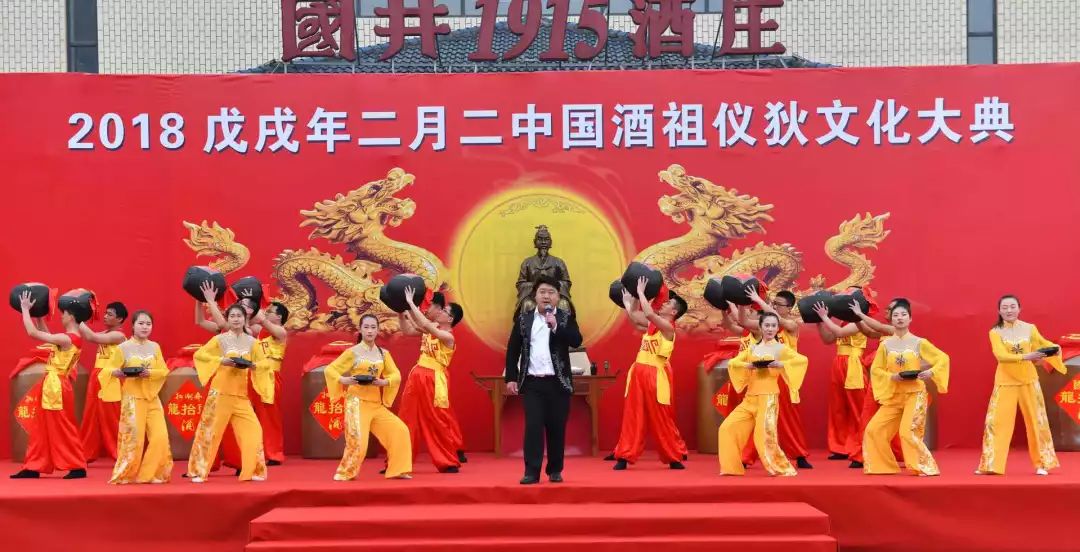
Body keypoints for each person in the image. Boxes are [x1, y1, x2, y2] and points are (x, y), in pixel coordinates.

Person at [505, 275, 583, 484]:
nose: (546, 296)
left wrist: (556, 326)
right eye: (542, 292)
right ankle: (531, 472)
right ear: (535, 296)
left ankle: (555, 470)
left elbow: (576, 340)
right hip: (533, 383)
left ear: (558, 297)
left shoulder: (565, 317)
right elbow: (513, 349)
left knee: (556, 427)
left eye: (551, 292)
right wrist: (511, 377)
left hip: (558, 382)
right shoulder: (524, 319)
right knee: (533, 426)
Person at [976, 295, 1065, 475]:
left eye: (1012, 306)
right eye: (1005, 307)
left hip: (1028, 380)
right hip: (1005, 381)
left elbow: (1043, 344)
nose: (1009, 310)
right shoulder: (995, 332)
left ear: (1019, 308)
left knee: (1036, 421)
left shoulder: (1030, 328)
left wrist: (1056, 349)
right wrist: (1026, 356)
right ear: (999, 311)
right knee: (996, 423)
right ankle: (991, 465)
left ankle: (1042, 464)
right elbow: (1001, 356)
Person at [863, 299, 949, 476]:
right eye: (896, 315)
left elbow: (943, 358)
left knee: (907, 432)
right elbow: (876, 369)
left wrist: (931, 372)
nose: (900, 318)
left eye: (903, 315)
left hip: (915, 393)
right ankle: (883, 467)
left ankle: (924, 467)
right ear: (891, 319)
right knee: (874, 429)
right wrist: (891, 376)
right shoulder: (885, 345)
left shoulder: (919, 342)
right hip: (894, 395)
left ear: (910, 319)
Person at [610, 277, 688, 470]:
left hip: (655, 375)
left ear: (674, 312)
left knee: (661, 418)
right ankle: (624, 455)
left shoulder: (668, 328)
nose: (664, 303)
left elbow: (649, 314)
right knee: (632, 415)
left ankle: (673, 456)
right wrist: (630, 302)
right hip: (638, 372)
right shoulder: (653, 326)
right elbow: (636, 317)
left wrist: (641, 292)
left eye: (668, 303)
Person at [717, 311, 808, 476]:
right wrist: (747, 366)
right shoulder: (752, 348)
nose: (770, 329)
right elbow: (734, 362)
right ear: (760, 327)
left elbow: (801, 360)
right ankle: (732, 468)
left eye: (773, 326)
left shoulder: (780, 348)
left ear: (777, 328)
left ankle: (781, 468)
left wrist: (780, 364)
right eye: (767, 325)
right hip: (749, 398)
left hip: (768, 397)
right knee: (727, 428)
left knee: (764, 436)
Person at [186, 304, 268, 482]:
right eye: (232, 316)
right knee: (211, 432)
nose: (236, 319)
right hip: (220, 393)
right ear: (227, 319)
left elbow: (265, 364)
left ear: (245, 319)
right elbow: (200, 355)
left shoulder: (253, 342)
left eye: (239, 316)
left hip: (241, 396)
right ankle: (199, 471)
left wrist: (254, 365)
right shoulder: (220, 340)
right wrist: (221, 360)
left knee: (253, 431)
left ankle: (253, 470)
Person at [324, 314, 412, 480]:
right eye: (366, 327)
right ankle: (345, 472)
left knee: (400, 430)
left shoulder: (383, 354)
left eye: (373, 327)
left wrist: (384, 382)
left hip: (375, 404)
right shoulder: (353, 352)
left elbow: (396, 374)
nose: (370, 331)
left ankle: (398, 470)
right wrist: (344, 380)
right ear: (360, 329)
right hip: (356, 403)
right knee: (359, 442)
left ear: (378, 330)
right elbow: (331, 370)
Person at [10, 291, 88, 479]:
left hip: (56, 387)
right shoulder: (69, 338)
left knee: (62, 426)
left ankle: (77, 465)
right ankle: (34, 466)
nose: (61, 316)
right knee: (41, 426)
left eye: (63, 313)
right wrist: (38, 316)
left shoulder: (68, 338)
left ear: (71, 316)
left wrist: (25, 309)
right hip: (54, 385)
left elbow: (33, 333)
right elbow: (46, 335)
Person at [736, 288, 812, 469]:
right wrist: (742, 304)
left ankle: (799, 454)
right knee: (759, 417)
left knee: (788, 418)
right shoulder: (765, 326)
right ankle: (747, 457)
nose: (775, 307)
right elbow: (743, 321)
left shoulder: (791, 326)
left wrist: (759, 300)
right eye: (774, 303)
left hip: (784, 378)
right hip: (764, 378)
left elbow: (777, 319)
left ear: (789, 308)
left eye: (779, 304)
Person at [812, 290, 887, 467]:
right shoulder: (843, 321)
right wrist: (819, 322)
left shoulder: (859, 321)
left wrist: (824, 317)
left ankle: (861, 448)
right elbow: (828, 339)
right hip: (839, 363)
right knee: (838, 407)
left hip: (853, 364)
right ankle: (840, 447)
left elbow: (839, 333)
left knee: (858, 408)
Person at [397, 288, 467, 473]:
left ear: (450, 319)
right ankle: (399, 461)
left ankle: (447, 461)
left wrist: (410, 303)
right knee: (406, 417)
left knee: (437, 421)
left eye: (445, 311)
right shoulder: (432, 329)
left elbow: (425, 324)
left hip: (434, 378)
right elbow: (408, 329)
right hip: (417, 374)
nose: (441, 311)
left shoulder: (448, 337)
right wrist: (401, 312)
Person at [103, 310, 173, 484]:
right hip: (132, 399)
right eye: (141, 323)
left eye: (148, 324)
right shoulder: (123, 348)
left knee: (160, 437)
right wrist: (117, 372)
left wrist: (150, 373)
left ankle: (149, 474)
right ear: (133, 326)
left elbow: (163, 371)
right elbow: (108, 370)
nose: (145, 327)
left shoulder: (155, 347)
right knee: (134, 439)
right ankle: (125, 474)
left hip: (152, 398)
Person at [78, 301, 127, 463]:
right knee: (91, 417)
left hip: (111, 380)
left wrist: (77, 316)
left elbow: (91, 336)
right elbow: (87, 334)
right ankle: (85, 453)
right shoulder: (106, 333)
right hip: (97, 377)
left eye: (110, 314)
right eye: (105, 313)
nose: (105, 316)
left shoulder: (118, 336)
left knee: (111, 418)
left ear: (119, 319)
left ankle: (121, 454)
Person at [250, 302, 289, 466]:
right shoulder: (261, 331)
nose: (266, 313)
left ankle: (274, 454)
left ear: (279, 316)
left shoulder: (281, 332)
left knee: (270, 416)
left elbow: (263, 322)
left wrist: (260, 315)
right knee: (253, 415)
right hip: (255, 375)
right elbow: (249, 324)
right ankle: (255, 452)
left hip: (271, 378)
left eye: (270, 311)